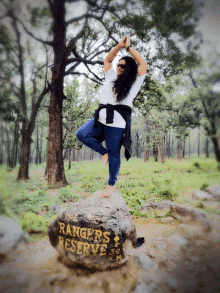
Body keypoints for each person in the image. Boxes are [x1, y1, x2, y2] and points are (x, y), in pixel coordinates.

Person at [76, 34, 147, 198]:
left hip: (116, 123)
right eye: (119, 64)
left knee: (115, 153)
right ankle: (104, 153)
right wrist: (118, 46)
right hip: (100, 118)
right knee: (81, 134)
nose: (119, 66)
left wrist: (129, 48)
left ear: (129, 68)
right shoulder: (110, 76)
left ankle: (111, 184)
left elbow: (142, 63)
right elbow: (108, 61)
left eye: (123, 65)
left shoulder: (135, 82)